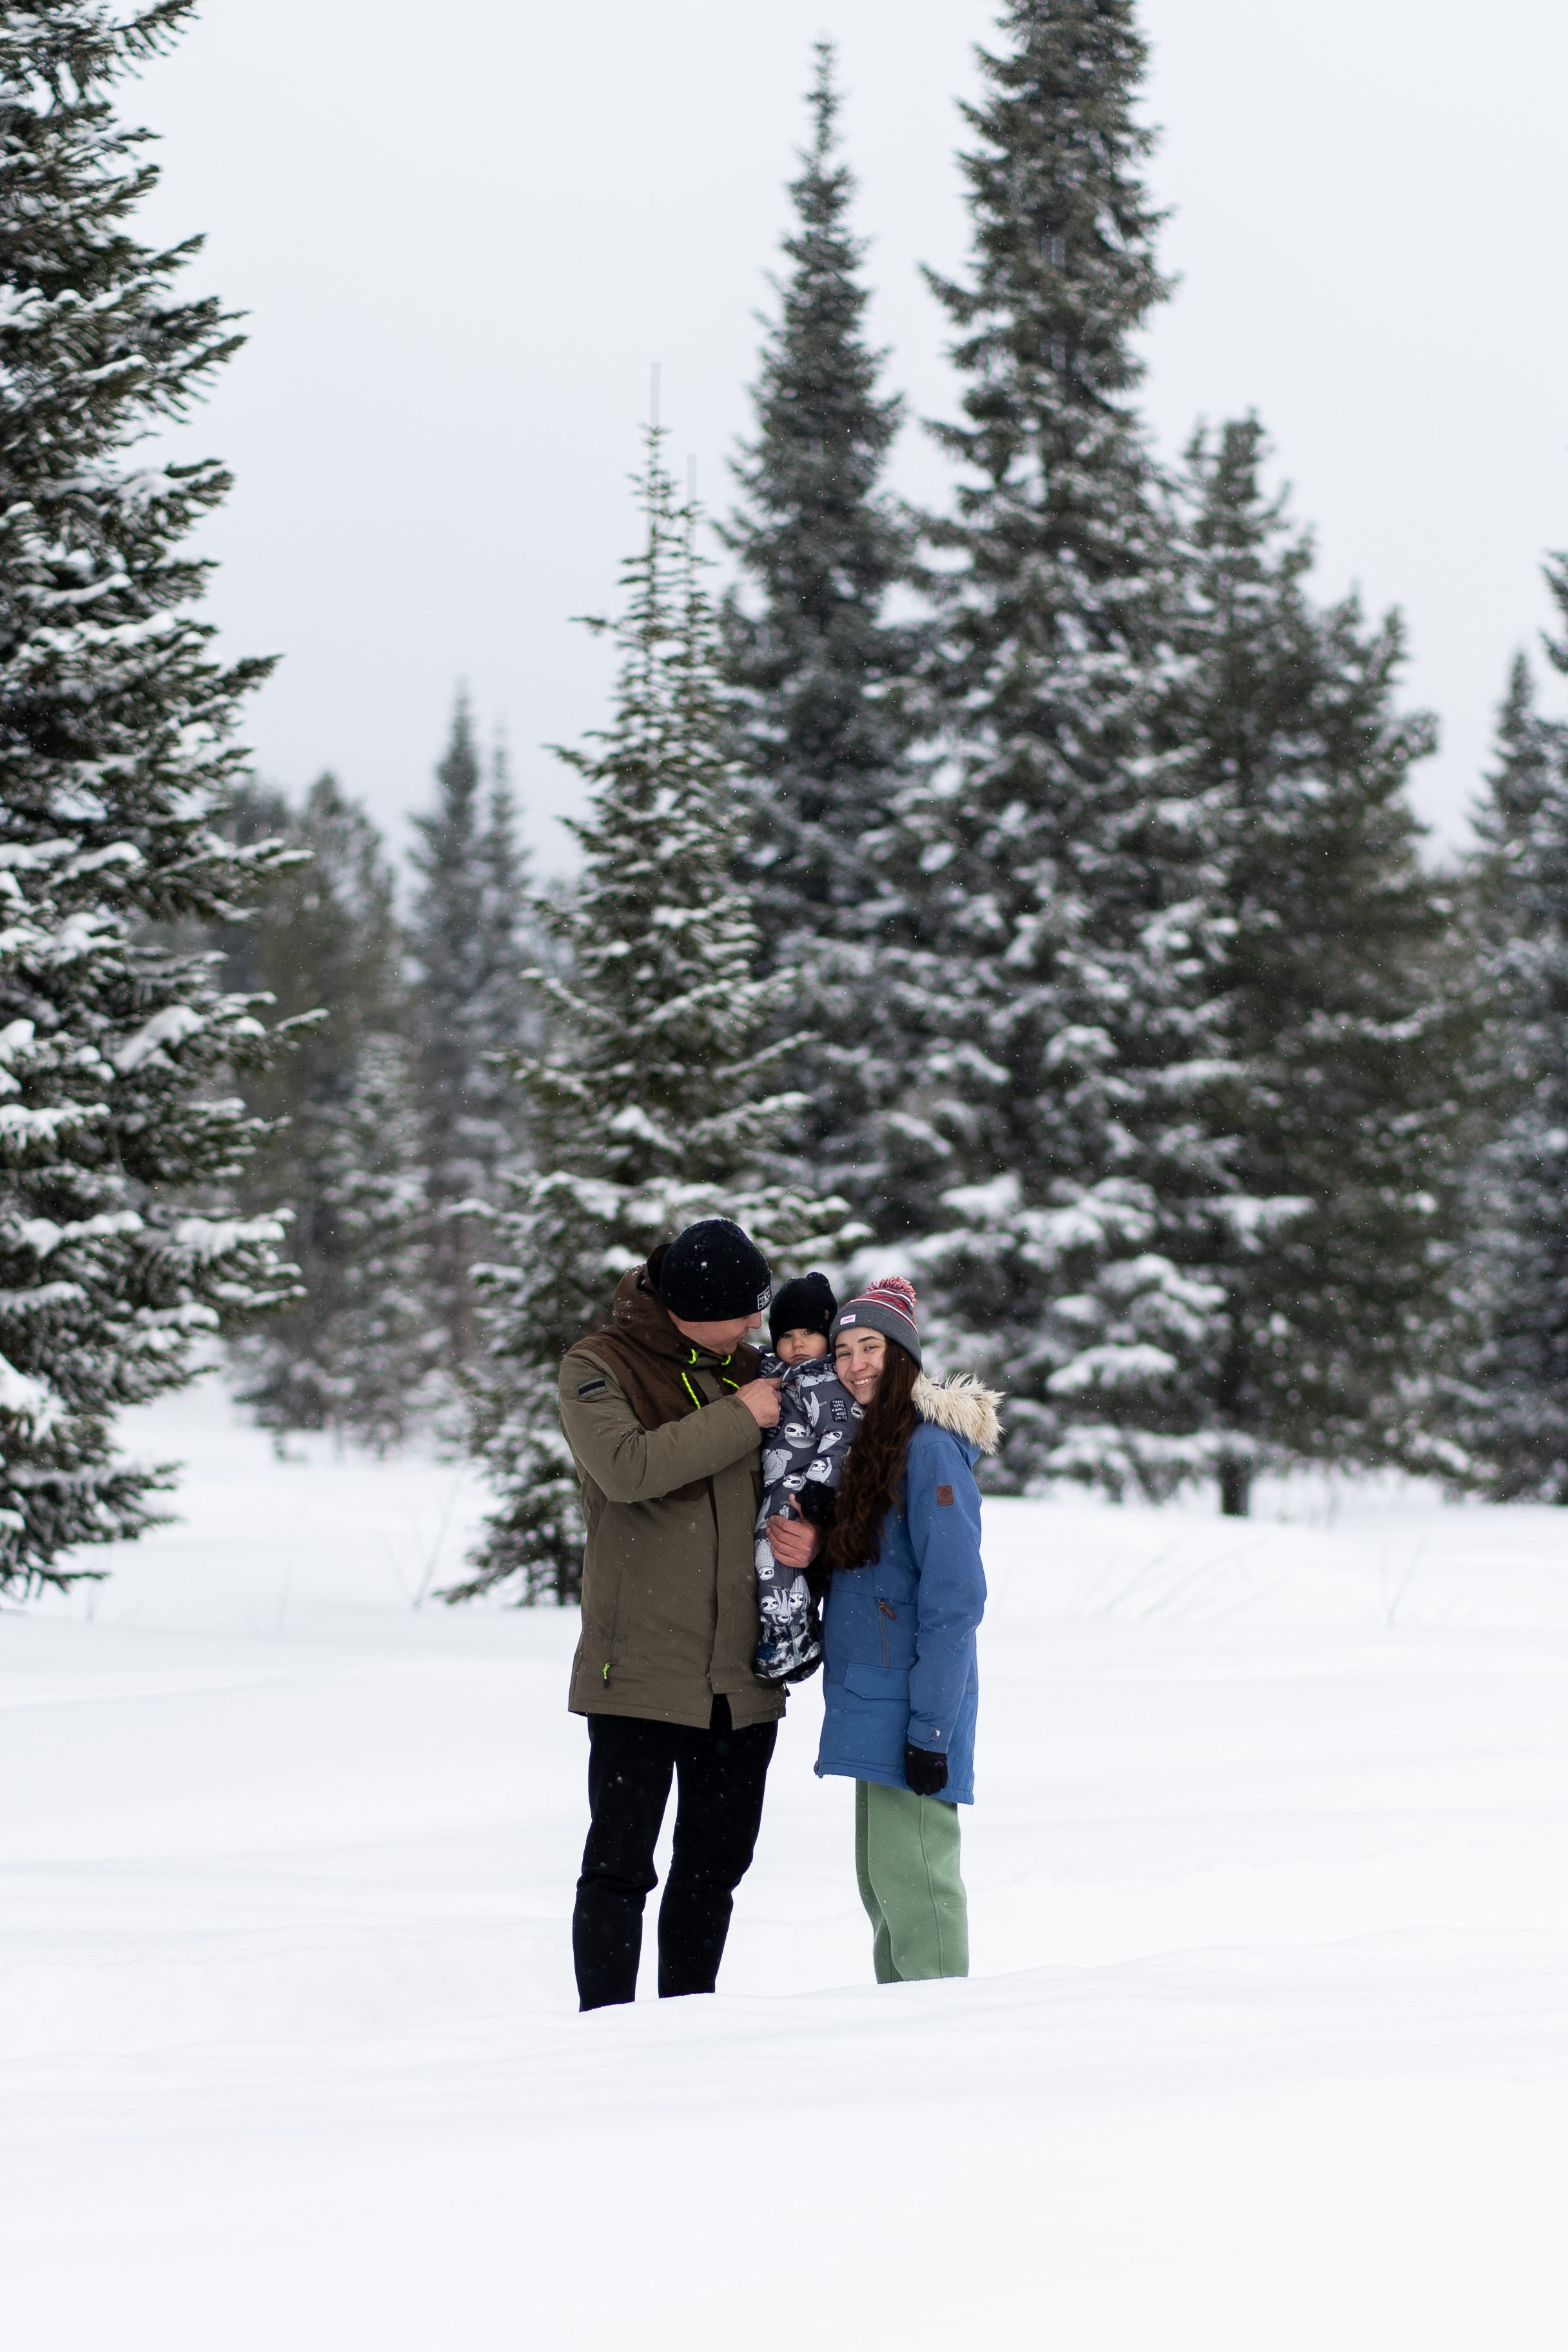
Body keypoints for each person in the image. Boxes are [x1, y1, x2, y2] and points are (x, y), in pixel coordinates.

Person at [558, 1217, 785, 2012]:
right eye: (744, 1311)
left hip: (741, 1676)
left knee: (713, 1871)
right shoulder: (598, 1367)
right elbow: (626, 1469)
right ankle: (605, 2032)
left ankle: (688, 2031)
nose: (758, 1324)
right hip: (639, 1675)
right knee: (620, 1870)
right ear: (693, 1307)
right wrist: (741, 1416)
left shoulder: (753, 1371)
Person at [766, 1276, 999, 1983]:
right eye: (841, 1352)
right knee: (885, 1889)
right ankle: (897, 2037)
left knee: (919, 1887)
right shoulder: (873, 1450)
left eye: (870, 1347)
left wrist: (930, 1729)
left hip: (911, 1707)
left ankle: (938, 2041)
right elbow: (879, 1574)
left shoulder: (928, 1450)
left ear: (902, 1357)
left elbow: (953, 1601)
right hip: (871, 1697)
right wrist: (819, 1551)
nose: (855, 1364)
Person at [750, 1271, 861, 1685]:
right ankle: (785, 1633)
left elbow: (841, 1436)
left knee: (776, 1554)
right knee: (771, 1557)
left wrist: (819, 1489)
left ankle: (789, 1634)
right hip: (776, 1485)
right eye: (788, 1334)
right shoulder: (778, 1371)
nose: (797, 1344)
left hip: (798, 1490)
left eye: (810, 1332)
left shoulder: (825, 1381)